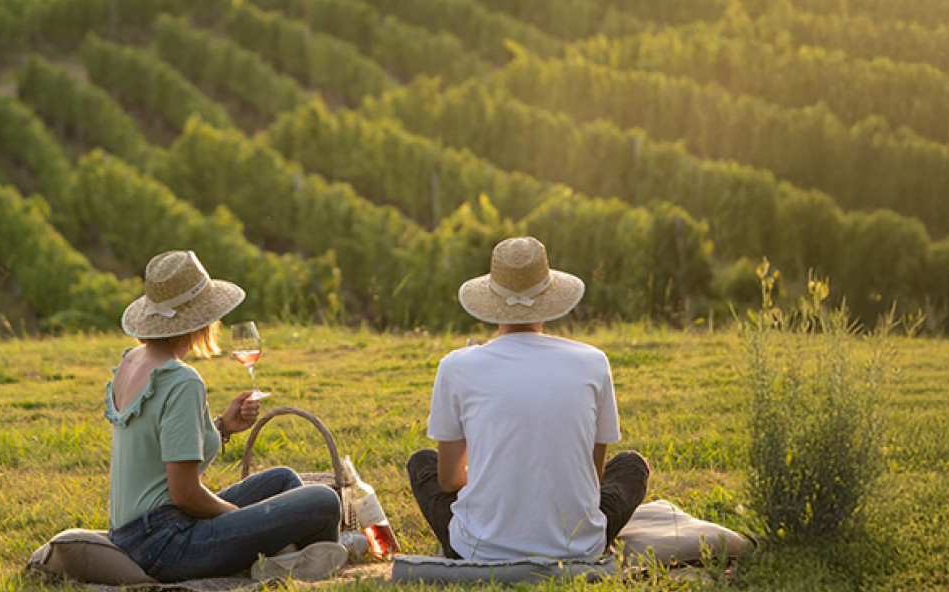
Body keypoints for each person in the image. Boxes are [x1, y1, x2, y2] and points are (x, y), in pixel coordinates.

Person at [405, 236, 651, 561]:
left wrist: (492, 475)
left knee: (422, 462)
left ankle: (482, 535)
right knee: (631, 466)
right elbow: (592, 477)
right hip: (577, 547)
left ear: (491, 301)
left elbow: (449, 480)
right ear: (549, 298)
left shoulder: (457, 366)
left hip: (479, 550)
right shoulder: (593, 361)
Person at [106, 250, 346, 581]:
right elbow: (186, 495)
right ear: (202, 318)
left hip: (131, 534)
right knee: (322, 501)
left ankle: (287, 559)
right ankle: (308, 559)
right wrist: (239, 517)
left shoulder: (132, 361)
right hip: (166, 544)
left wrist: (222, 426)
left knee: (283, 480)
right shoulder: (181, 379)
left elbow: (158, 449)